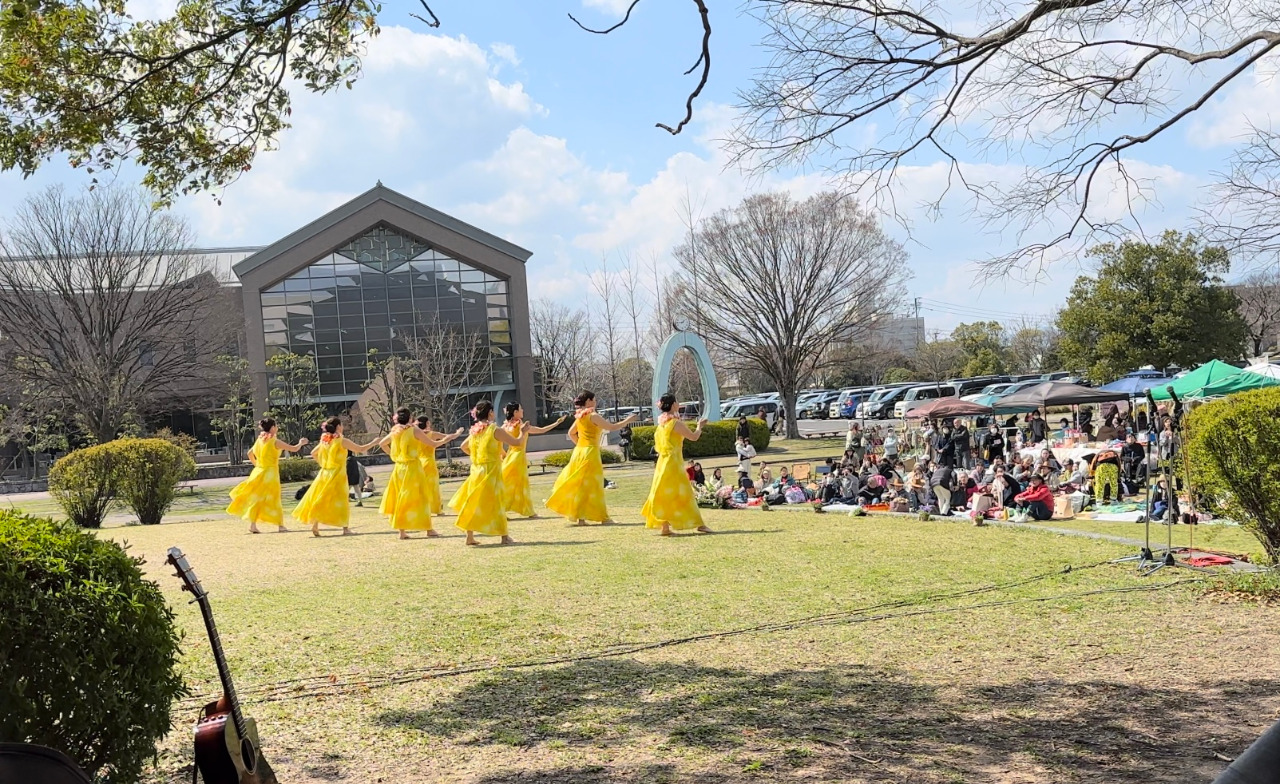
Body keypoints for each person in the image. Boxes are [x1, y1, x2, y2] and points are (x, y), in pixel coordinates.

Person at [546, 390, 640, 525]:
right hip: (590, 452)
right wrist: (628, 420)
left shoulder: (580, 416)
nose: (595, 402)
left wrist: (580, 444)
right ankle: (602, 517)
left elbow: (571, 433)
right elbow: (611, 427)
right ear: (588, 401)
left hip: (579, 452)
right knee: (594, 485)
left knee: (581, 485)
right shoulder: (593, 415)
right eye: (594, 400)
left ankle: (581, 518)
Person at [377, 408, 463, 540]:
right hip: (412, 467)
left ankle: (402, 531)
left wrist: (395, 455)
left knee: (401, 496)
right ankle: (428, 529)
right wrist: (445, 440)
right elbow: (433, 443)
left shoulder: (395, 431)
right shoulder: (414, 430)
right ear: (410, 418)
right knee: (421, 496)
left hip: (399, 467)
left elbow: (382, 444)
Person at [449, 400, 525, 545]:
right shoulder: (494, 429)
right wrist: (523, 431)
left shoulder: (476, 430)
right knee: (497, 502)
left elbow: (464, 447)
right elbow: (516, 443)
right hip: (491, 470)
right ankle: (504, 536)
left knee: (473, 501)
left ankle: (469, 536)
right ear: (490, 412)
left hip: (477, 469)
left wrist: (478, 457)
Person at [293, 417, 378, 537]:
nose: (342, 427)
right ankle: (345, 528)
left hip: (325, 473)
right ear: (338, 426)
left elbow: (313, 453)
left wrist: (323, 464)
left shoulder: (325, 440)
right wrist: (374, 442)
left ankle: (316, 523)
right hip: (338, 474)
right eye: (341, 425)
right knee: (341, 500)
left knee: (322, 498)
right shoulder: (341, 440)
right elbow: (360, 449)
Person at [640, 394, 712, 536]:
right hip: (673, 463)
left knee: (664, 494)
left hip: (662, 463)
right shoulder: (674, 423)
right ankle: (698, 524)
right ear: (673, 405)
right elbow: (694, 437)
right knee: (684, 493)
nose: (678, 404)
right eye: (677, 402)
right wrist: (699, 426)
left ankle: (665, 527)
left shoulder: (662, 423)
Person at [227, 418, 309, 534]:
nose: (277, 428)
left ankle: (253, 525)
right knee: (274, 498)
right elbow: (294, 448)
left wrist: (257, 465)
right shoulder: (274, 441)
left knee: (257, 499)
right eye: (276, 426)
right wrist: (301, 442)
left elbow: (249, 453)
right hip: (270, 473)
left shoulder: (260, 439)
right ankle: (280, 525)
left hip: (259, 472)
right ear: (272, 427)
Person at [500, 404, 566, 519]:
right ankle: (528, 512)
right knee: (520, 485)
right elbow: (541, 430)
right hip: (517, 457)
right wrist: (557, 423)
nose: (523, 410)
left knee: (508, 484)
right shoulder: (521, 426)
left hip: (510, 457)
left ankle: (504, 510)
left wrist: (503, 454)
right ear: (515, 412)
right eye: (520, 409)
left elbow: (498, 441)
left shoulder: (505, 425)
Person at [414, 415, 463, 516]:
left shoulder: (415, 435)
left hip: (418, 463)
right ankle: (436, 509)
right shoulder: (432, 434)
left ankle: (420, 508)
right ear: (427, 423)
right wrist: (458, 433)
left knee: (420, 487)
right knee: (433, 488)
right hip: (429, 462)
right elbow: (448, 436)